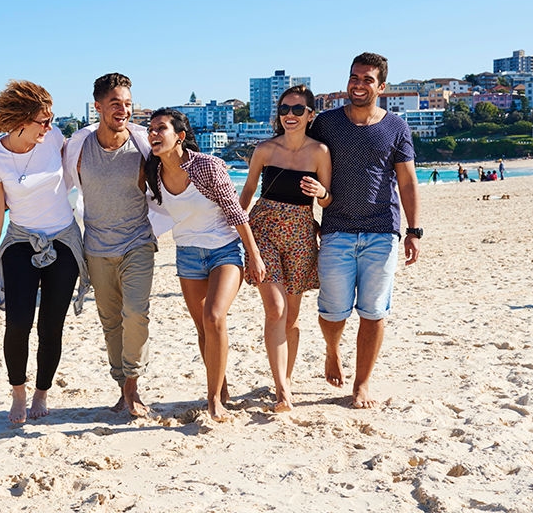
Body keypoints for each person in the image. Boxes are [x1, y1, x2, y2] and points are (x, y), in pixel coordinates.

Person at [0, 80, 90, 424]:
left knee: (51, 326)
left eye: (51, 120)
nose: (50, 127)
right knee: (18, 322)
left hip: (64, 241)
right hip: (21, 242)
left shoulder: (53, 139)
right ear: (20, 120)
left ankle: (42, 392)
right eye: (43, 120)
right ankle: (19, 393)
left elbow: (83, 163)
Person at [308, 52, 420, 409]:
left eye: (367, 79)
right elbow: (299, 161)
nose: (358, 84)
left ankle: (362, 384)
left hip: (382, 231)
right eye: (354, 77)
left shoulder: (396, 127)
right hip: (336, 229)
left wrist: (413, 230)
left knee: (373, 311)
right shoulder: (325, 123)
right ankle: (332, 349)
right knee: (333, 311)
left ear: (381, 86)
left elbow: (407, 180)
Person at [144, 108, 265, 421]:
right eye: (150, 129)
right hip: (187, 254)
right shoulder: (152, 174)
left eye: (161, 129)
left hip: (224, 251)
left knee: (214, 317)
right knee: (203, 327)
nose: (153, 134)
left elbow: (236, 212)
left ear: (180, 136)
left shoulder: (208, 166)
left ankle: (213, 400)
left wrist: (253, 254)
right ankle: (221, 388)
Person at [63, 73, 159, 417]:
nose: (124, 110)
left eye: (128, 104)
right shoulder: (78, 146)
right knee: (110, 321)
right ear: (98, 106)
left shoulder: (143, 146)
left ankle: (132, 385)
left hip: (138, 241)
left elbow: (175, 173)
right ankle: (122, 388)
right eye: (116, 103)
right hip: (97, 247)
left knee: (135, 313)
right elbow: (51, 182)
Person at [239, 86, 331, 411]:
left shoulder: (319, 151)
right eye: (284, 109)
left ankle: (286, 380)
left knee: (291, 318)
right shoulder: (265, 149)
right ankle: (282, 391)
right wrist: (239, 230)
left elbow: (328, 199)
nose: (289, 115)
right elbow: (248, 189)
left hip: (301, 233)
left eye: (297, 110)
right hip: (264, 227)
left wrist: (321, 192)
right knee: (275, 310)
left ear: (310, 114)